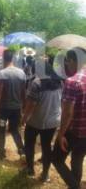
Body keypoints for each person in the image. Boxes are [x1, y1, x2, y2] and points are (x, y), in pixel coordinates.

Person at [22, 60, 62, 182]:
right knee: (46, 147)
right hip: (52, 121)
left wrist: (23, 119)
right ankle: (45, 174)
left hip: (36, 121)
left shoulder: (36, 83)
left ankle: (30, 169)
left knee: (29, 144)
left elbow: (30, 105)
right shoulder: (59, 82)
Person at [52, 48, 86, 189]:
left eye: (67, 61)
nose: (67, 65)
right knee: (77, 159)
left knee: (56, 159)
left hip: (73, 132)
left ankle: (75, 187)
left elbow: (68, 113)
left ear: (72, 61)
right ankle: (74, 185)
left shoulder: (72, 81)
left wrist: (60, 134)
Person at [0, 49, 26, 160]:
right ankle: (22, 151)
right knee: (14, 130)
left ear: (3, 59)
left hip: (3, 109)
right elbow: (23, 93)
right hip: (16, 108)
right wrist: (23, 108)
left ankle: (1, 153)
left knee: (1, 130)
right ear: (12, 59)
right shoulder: (21, 73)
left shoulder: (1, 73)